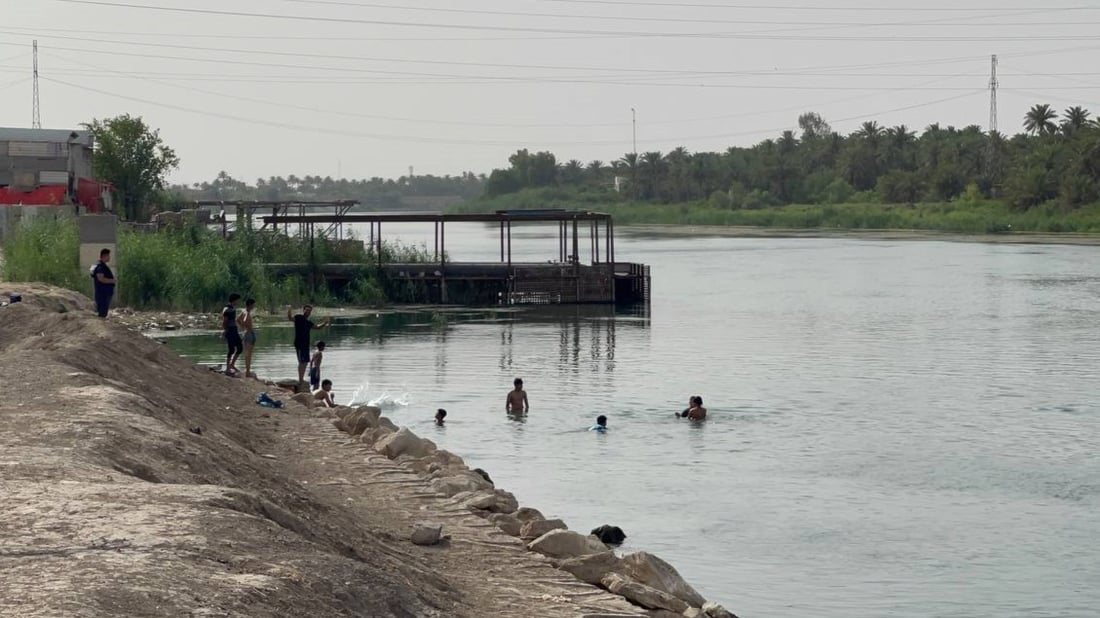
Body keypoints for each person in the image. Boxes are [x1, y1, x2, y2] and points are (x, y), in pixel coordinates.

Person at [287, 304, 331, 386]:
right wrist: (289, 310)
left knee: (305, 362)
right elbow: (290, 318)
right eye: (307, 310)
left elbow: (317, 327)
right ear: (303, 310)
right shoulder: (298, 317)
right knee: (301, 361)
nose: (308, 312)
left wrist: (325, 323)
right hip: (299, 343)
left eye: (309, 311)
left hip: (306, 344)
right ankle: (300, 380)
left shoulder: (308, 322)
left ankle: (301, 379)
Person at [90, 248, 116, 318]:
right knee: (102, 312)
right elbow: (100, 278)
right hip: (102, 293)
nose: (109, 257)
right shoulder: (100, 266)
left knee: (103, 312)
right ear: (105, 256)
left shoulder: (101, 265)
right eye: (108, 256)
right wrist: (112, 281)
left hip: (103, 292)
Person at [222, 293, 243, 376]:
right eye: (237, 300)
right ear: (234, 300)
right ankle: (228, 368)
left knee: (240, 347)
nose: (238, 302)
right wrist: (225, 330)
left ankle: (232, 364)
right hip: (230, 330)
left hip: (234, 329)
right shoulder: (227, 309)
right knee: (231, 349)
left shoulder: (233, 308)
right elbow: (224, 321)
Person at [239, 298, 257, 378]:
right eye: (253, 304)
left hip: (246, 332)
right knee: (248, 354)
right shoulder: (247, 312)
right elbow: (245, 320)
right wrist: (246, 326)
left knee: (247, 353)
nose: (254, 306)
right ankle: (248, 371)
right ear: (250, 305)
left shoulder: (243, 311)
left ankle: (247, 370)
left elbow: (238, 319)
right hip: (249, 333)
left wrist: (243, 326)